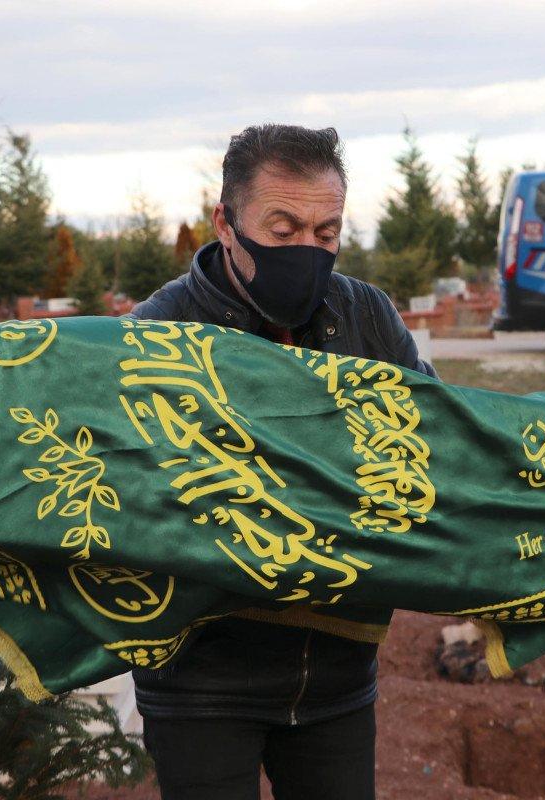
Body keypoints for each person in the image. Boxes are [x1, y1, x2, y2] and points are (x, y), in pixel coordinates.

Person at [127, 123, 434, 800]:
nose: (307, 250)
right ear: (226, 222)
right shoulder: (158, 335)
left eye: (326, 234)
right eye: (284, 228)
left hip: (338, 679)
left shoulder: (369, 319)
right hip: (200, 685)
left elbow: (435, 442)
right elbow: (133, 505)